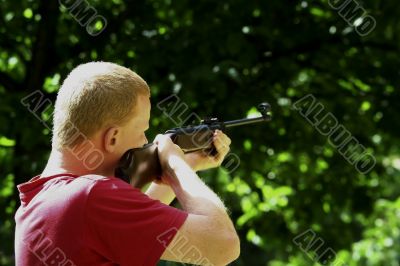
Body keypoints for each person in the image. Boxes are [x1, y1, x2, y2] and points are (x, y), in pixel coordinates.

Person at [14, 62, 240, 265]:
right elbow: (223, 244)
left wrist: (187, 164)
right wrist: (175, 164)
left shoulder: (38, 202)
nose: (145, 141)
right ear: (112, 137)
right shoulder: (90, 195)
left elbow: (131, 223)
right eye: (142, 131)